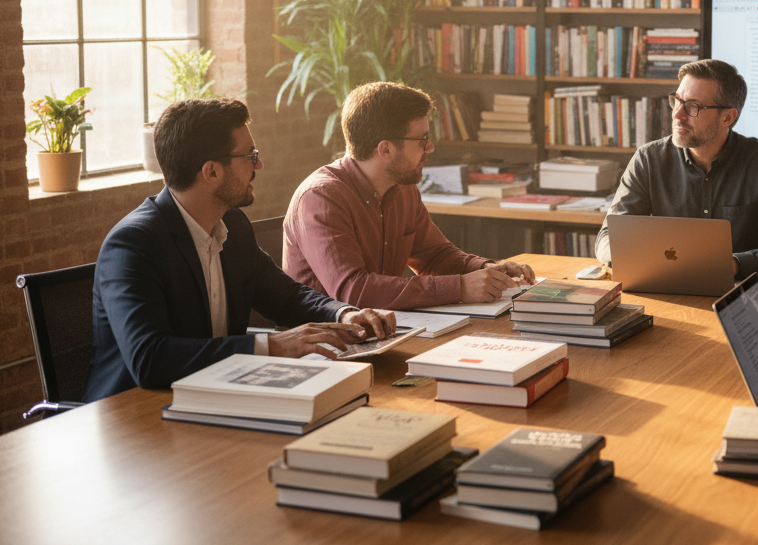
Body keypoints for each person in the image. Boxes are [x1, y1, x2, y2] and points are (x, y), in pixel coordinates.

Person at [84, 98, 395, 402]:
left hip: (215, 397)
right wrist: (272, 346)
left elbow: (286, 296)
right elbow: (150, 359)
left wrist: (343, 314)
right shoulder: (133, 245)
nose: (259, 164)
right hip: (133, 417)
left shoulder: (233, 224)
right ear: (212, 172)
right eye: (250, 155)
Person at [284, 82, 535, 310]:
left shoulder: (403, 188)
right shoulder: (321, 197)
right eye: (422, 140)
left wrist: (485, 269)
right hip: (324, 346)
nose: (430, 148)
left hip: (384, 330)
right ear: (386, 149)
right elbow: (353, 292)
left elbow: (434, 257)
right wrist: (460, 287)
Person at [594, 59, 758, 278]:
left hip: (740, 292)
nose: (677, 114)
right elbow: (609, 235)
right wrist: (626, 258)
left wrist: (733, 264)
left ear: (727, 117)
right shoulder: (648, 159)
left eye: (693, 106)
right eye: (677, 101)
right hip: (666, 285)